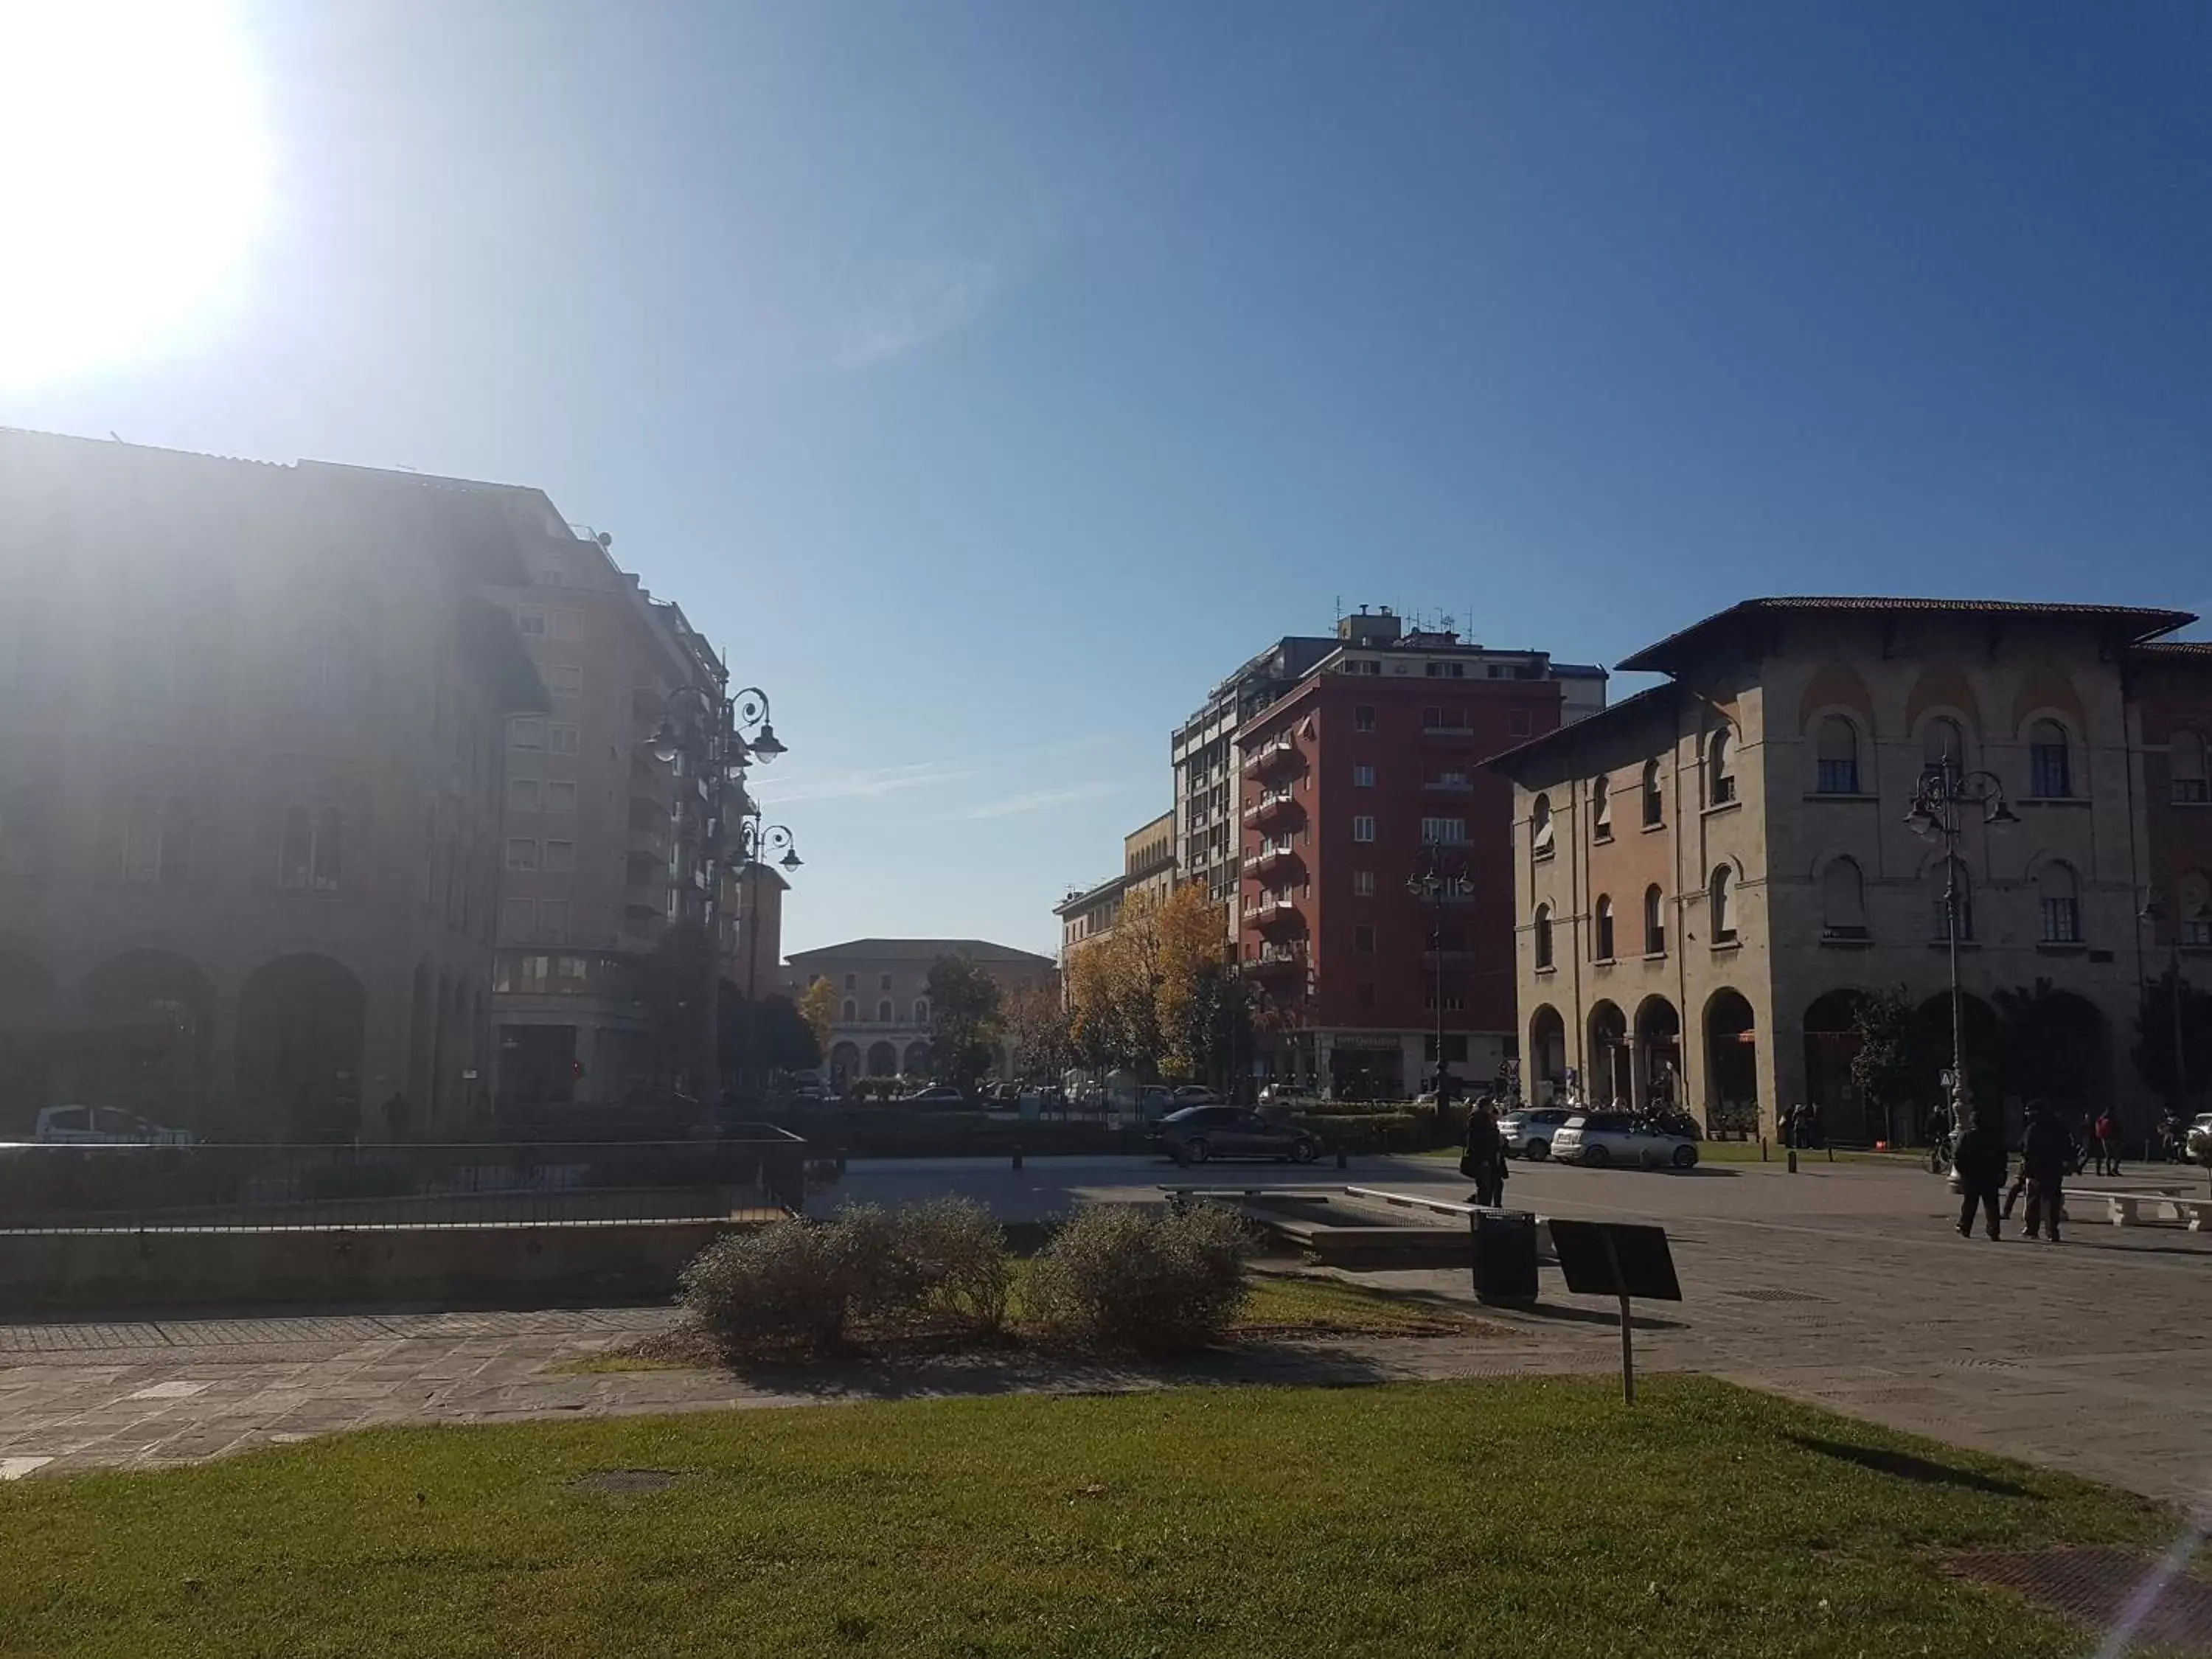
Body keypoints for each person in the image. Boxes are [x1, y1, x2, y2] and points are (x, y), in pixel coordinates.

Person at [1952, 1107, 2007, 1241]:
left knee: (1970, 1203)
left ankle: (1965, 1227)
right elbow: (2002, 1156)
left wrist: (1963, 1172)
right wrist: (2000, 1171)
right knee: (1991, 1204)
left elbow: (1958, 1156)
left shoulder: (1966, 1136)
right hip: (1990, 1174)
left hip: (1972, 1175)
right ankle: (1994, 1230)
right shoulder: (1994, 1137)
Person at [2021, 1103, 2071, 1244]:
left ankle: (2032, 1228)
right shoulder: (2058, 1127)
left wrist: (2026, 1168)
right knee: (2051, 1201)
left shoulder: (2033, 1129)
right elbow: (2067, 1146)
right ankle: (2052, 1231)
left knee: (2034, 1199)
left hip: (2037, 1169)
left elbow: (2027, 1150)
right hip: (2054, 1168)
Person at [1462, 1100, 1506, 1208]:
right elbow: (1478, 1141)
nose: (1492, 1108)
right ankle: (1482, 1209)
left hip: (1491, 1156)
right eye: (1490, 1106)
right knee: (1485, 1186)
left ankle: (1489, 1206)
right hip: (1484, 1157)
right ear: (1485, 1106)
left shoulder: (1487, 1119)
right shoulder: (1478, 1120)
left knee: (1494, 1184)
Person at [2093, 1109, 2122, 1178]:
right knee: (2117, 1156)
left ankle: (2108, 1171)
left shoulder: (2101, 1119)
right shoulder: (2114, 1120)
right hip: (2113, 1139)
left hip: (2104, 1139)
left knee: (2108, 1156)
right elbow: (2118, 1129)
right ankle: (2114, 1170)